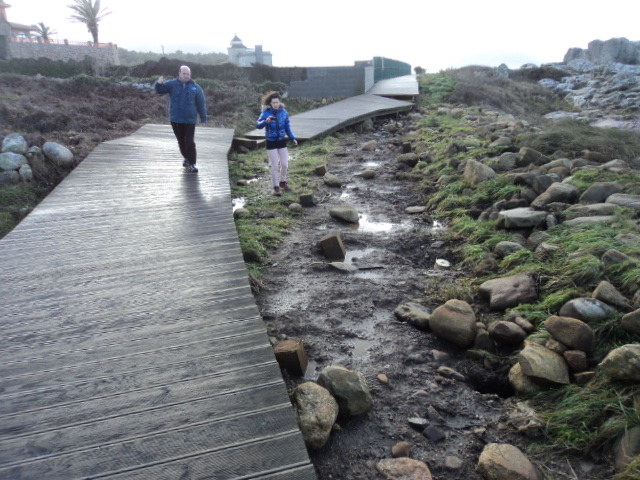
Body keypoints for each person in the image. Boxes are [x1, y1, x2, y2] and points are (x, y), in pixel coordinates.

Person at [154, 65, 207, 173]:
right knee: (181, 141)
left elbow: (201, 104)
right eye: (184, 73)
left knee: (190, 142)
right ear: (179, 73)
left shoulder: (196, 88)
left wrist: (203, 119)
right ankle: (186, 158)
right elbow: (159, 90)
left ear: (190, 74)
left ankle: (192, 164)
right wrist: (158, 83)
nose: (186, 75)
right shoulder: (172, 84)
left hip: (190, 120)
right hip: (175, 119)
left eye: (188, 74)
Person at [256, 91, 297, 196]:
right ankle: (276, 187)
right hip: (271, 142)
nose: (275, 104)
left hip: (281, 141)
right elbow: (258, 125)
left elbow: (287, 127)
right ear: (270, 103)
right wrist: (266, 121)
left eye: (277, 102)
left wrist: (293, 138)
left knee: (284, 164)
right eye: (273, 102)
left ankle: (283, 182)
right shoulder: (265, 113)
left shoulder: (284, 113)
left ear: (280, 102)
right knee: (274, 165)